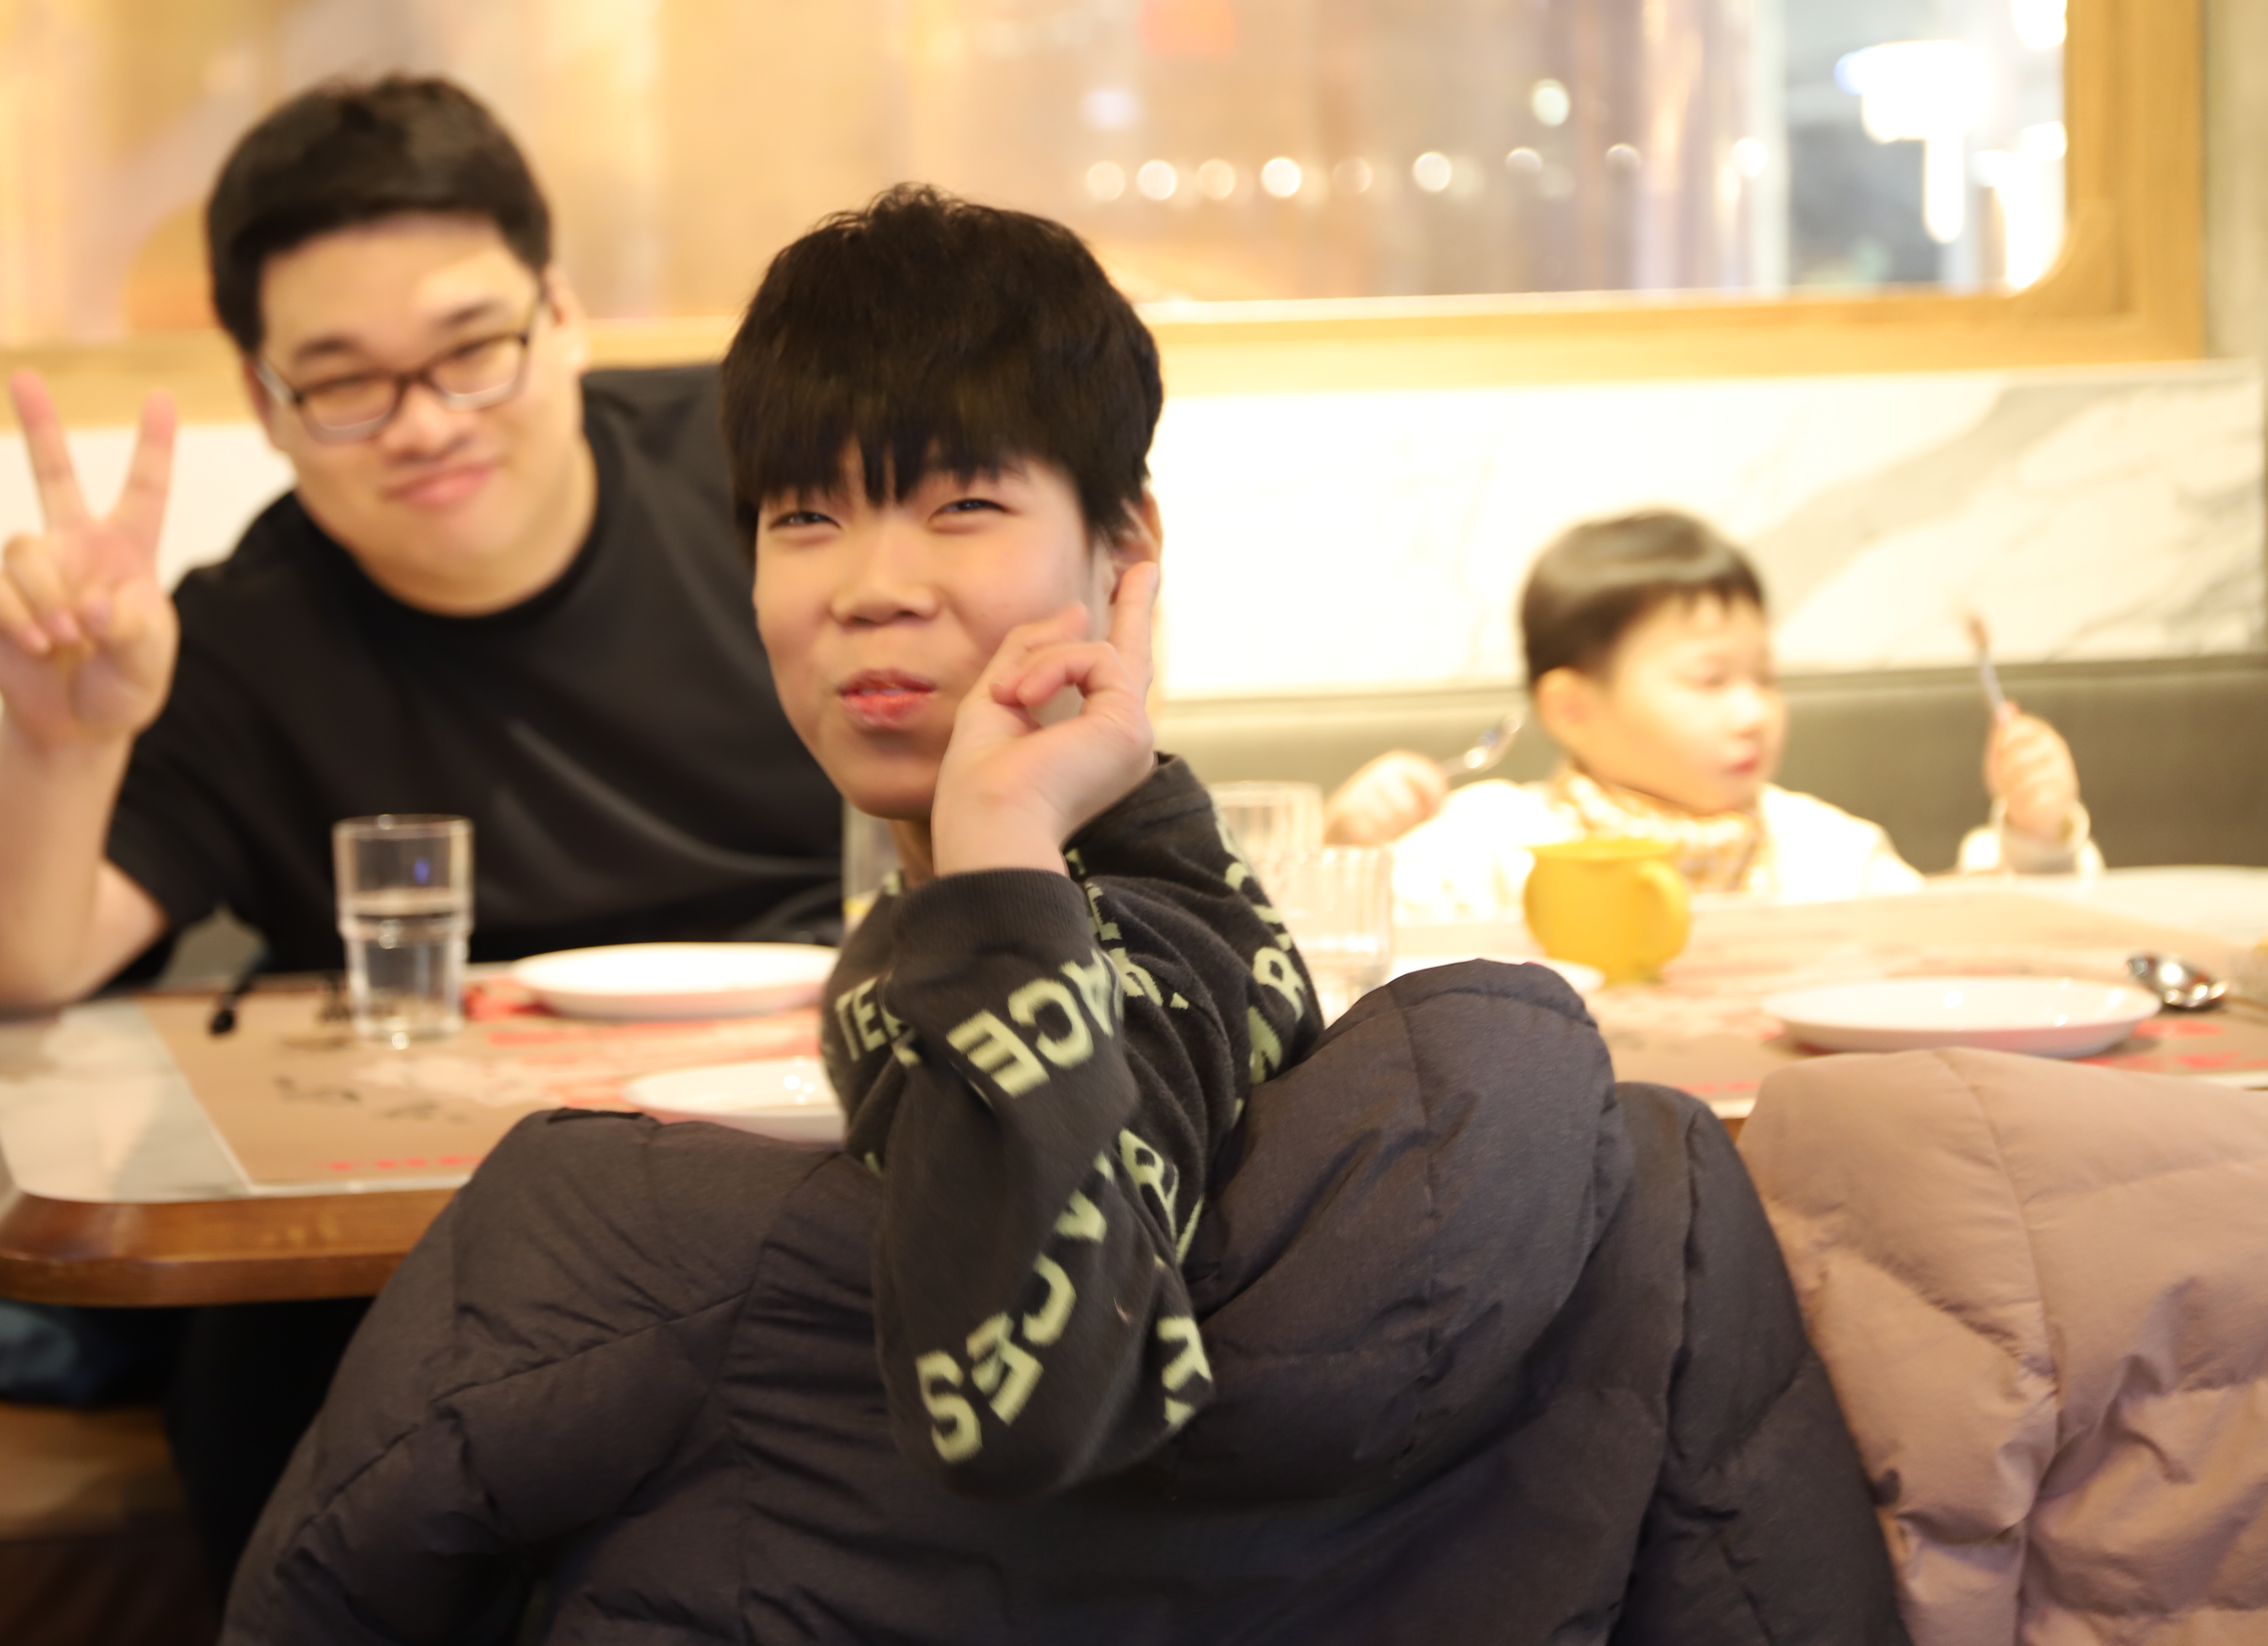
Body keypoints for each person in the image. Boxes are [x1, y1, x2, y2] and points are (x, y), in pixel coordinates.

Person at [224, 189, 1908, 1646]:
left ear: (1123, 547)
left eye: (961, 505)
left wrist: (1002, 848)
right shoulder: (1182, 922)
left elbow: (1031, 1404)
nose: (872, 584)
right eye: (806, 517)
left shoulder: (1123, 949)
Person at [0, 75, 841, 1593]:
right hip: (407, 1270)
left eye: (472, 350)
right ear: (266, 402)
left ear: (563, 317)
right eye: (344, 382)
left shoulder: (782, 494)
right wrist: (58, 737)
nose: (425, 424)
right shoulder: (237, 642)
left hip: (802, 1187)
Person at [1324, 509, 2101, 920]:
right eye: (1710, 680)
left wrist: (2037, 836)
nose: (1752, 711)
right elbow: (1335, 968)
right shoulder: (1490, 843)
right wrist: (1348, 853)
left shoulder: (1824, 851)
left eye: (1765, 678)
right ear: (1573, 707)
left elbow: (1960, 945)